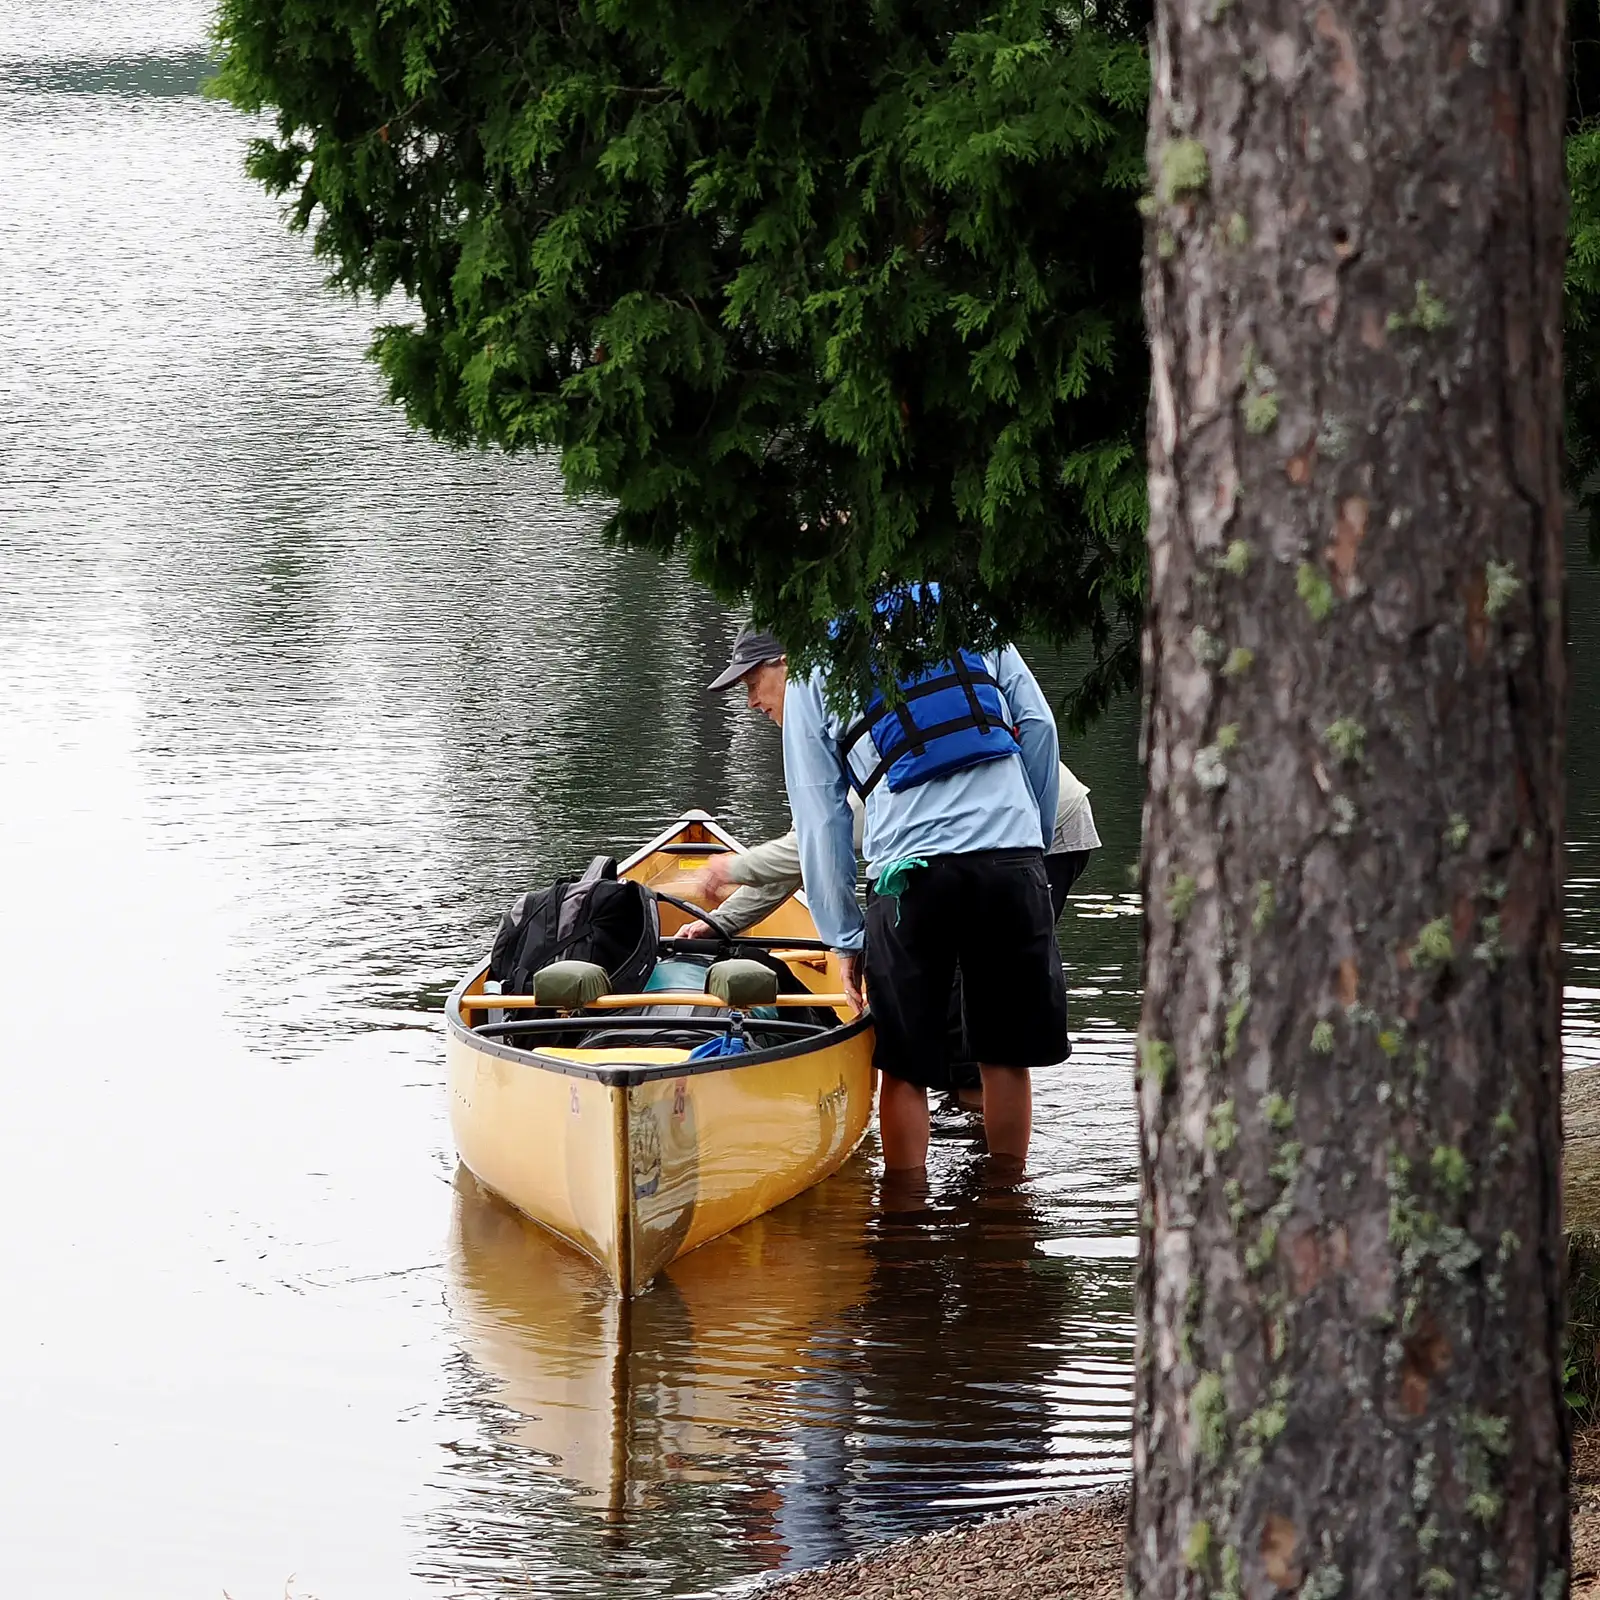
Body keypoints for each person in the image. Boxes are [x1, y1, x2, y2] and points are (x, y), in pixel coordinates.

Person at [782, 619, 1069, 1172]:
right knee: (1006, 1059)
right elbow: (1039, 728)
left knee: (905, 1069)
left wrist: (844, 938)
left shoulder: (814, 659)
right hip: (1009, 858)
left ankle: (905, 1227)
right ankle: (1006, 1223)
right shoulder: (968, 614)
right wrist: (1027, 837)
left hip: (910, 878)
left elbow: (821, 818)